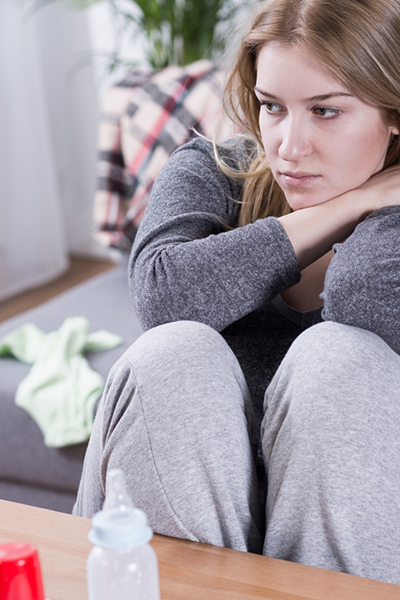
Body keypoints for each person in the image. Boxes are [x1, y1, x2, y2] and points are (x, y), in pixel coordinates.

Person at [74, 0, 400, 585]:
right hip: (185, 537)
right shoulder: (214, 169)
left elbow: (363, 296)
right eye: (272, 106)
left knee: (341, 358)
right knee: (173, 353)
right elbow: (162, 295)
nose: (288, 146)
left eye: (326, 111)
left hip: (362, 542)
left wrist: (383, 212)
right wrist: (352, 203)